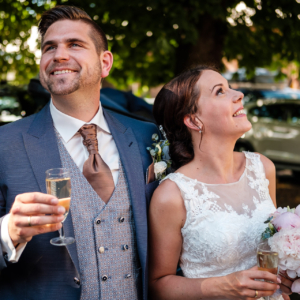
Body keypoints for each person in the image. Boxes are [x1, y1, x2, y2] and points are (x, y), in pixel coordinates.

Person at [0, 5, 158, 300]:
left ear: (105, 62)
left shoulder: (147, 137)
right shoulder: (4, 144)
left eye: (75, 44)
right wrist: (7, 233)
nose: (59, 55)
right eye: (49, 47)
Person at [148, 66, 294, 300]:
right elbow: (158, 286)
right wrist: (223, 286)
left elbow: (270, 250)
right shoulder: (172, 195)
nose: (239, 94)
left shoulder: (263, 168)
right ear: (194, 120)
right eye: (220, 91)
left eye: (230, 88)